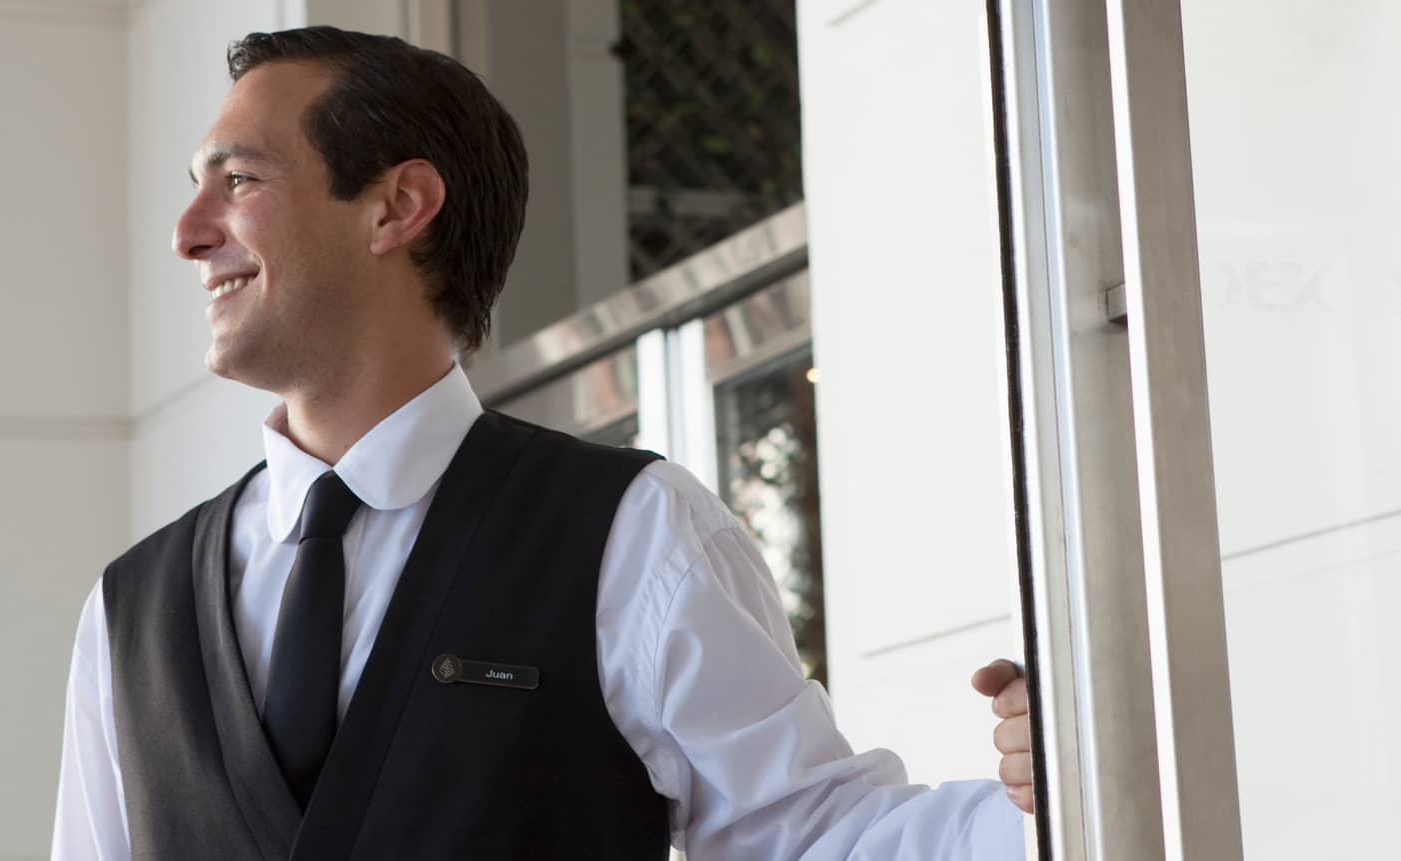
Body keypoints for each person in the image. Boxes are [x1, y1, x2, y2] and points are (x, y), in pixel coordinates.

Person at [50, 26, 1034, 860]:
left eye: (238, 179)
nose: (187, 231)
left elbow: (816, 836)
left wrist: (1048, 800)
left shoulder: (630, 531)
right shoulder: (130, 608)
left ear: (397, 206)